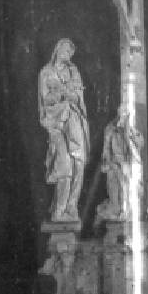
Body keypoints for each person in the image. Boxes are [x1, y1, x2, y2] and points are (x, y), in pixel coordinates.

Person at [38, 38, 90, 221]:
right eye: (66, 50)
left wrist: (67, 93)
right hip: (56, 123)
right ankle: (59, 210)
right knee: (65, 166)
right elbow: (45, 100)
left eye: (70, 52)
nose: (68, 54)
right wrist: (61, 93)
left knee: (78, 163)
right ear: (58, 49)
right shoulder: (46, 72)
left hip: (74, 119)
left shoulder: (74, 72)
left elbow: (78, 97)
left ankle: (71, 206)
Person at [96, 101, 144, 221]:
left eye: (126, 112)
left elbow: (140, 144)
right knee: (115, 192)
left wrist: (131, 132)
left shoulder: (131, 129)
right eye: (122, 112)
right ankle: (115, 211)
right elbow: (106, 149)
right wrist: (108, 163)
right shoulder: (111, 129)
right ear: (119, 112)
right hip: (115, 165)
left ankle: (127, 212)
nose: (124, 114)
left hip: (129, 166)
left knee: (129, 191)